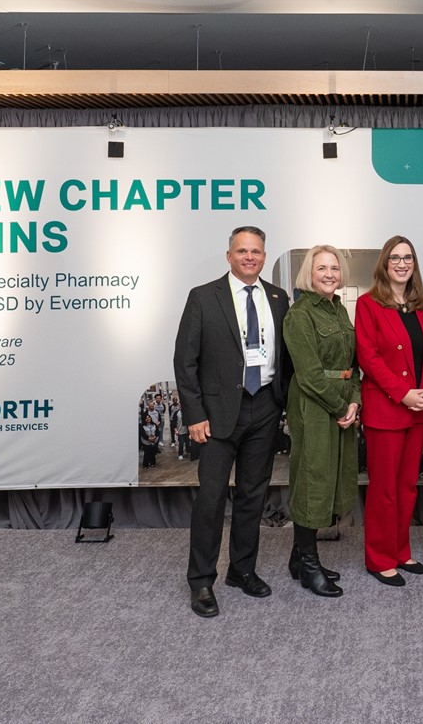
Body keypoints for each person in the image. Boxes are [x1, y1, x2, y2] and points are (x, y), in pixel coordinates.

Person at [173, 225, 291, 618]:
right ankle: (202, 581)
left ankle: (242, 571)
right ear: (229, 256)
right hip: (218, 415)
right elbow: (185, 361)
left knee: (253, 496)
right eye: (242, 251)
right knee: (210, 500)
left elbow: (285, 358)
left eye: (256, 251)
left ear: (263, 254)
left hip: (265, 408)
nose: (250, 257)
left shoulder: (278, 297)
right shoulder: (204, 297)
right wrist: (194, 414)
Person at [356, 235, 423, 586]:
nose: (402, 263)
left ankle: (400, 550)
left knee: (407, 486)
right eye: (395, 258)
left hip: (418, 409)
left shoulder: (421, 305)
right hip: (387, 409)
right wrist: (404, 394)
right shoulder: (367, 304)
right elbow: (369, 358)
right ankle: (378, 558)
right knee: (384, 489)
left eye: (408, 258)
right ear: (384, 264)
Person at [282, 245, 360, 598]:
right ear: (308, 275)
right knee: (313, 480)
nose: (329, 274)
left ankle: (300, 558)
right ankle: (309, 565)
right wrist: (341, 406)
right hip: (314, 406)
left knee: (329, 479)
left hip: (341, 403)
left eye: (334, 268)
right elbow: (310, 375)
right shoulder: (299, 314)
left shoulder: (339, 310)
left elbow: (352, 365)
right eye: (321, 268)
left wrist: (354, 401)